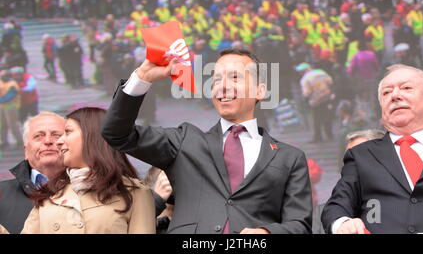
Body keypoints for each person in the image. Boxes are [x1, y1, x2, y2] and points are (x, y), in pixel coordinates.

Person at [102, 48, 312, 234]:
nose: (222, 86)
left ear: (260, 90)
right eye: (216, 79)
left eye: (234, 77)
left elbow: (300, 224)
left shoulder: (289, 158)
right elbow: (116, 133)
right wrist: (142, 78)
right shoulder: (184, 141)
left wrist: (266, 232)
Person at [322, 64, 423, 234]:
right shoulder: (361, 155)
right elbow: (337, 205)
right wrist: (343, 224)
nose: (395, 95)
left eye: (406, 88)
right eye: (386, 92)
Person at [19, 107, 155, 234]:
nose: (59, 141)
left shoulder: (135, 193)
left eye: (68, 132)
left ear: (92, 135)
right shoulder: (50, 193)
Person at [0, 111, 65, 233]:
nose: (48, 141)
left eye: (56, 135)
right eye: (38, 136)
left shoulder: (94, 191)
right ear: (26, 151)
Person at [296, 62, 334, 142]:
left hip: (316, 100)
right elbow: (330, 82)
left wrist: (305, 101)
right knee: (327, 115)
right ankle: (329, 134)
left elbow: (307, 92)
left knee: (316, 118)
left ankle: (318, 137)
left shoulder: (305, 79)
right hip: (327, 96)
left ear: (303, 71)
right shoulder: (320, 72)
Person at [0, 69, 23, 149]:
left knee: (13, 124)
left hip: (11, 106)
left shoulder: (12, 84)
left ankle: (19, 141)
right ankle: (4, 141)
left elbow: (10, 95)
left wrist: (1, 100)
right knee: (2, 124)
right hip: (2, 106)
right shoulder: (1, 82)